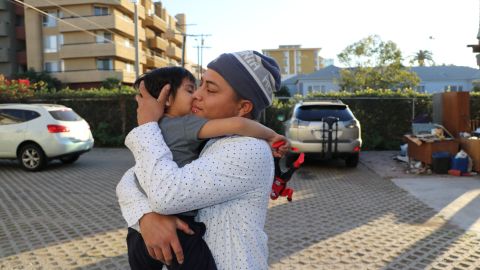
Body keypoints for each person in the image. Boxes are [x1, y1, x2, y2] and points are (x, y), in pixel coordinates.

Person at [116, 50, 284, 270]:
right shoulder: (209, 139)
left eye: (210, 89)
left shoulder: (248, 148)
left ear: (243, 107)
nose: (197, 95)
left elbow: (166, 196)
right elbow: (130, 179)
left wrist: (148, 125)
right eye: (200, 84)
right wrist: (146, 216)